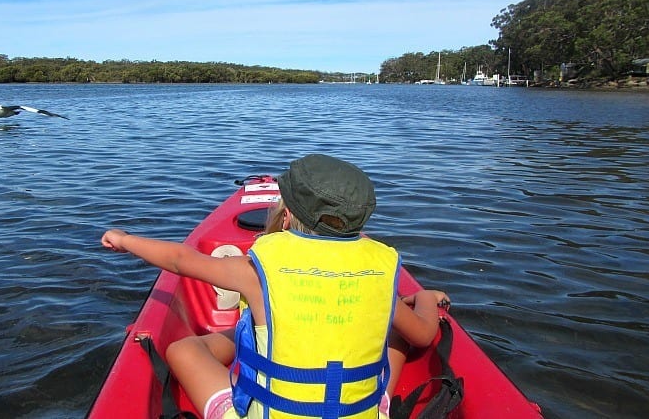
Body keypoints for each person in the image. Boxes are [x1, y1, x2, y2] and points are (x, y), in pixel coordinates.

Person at [101, 154, 449, 419]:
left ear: (285, 218)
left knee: (183, 350)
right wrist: (423, 299)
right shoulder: (380, 269)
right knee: (396, 333)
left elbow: (179, 259)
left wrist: (125, 239)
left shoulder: (253, 270)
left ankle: (248, 350)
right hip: (359, 411)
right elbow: (421, 335)